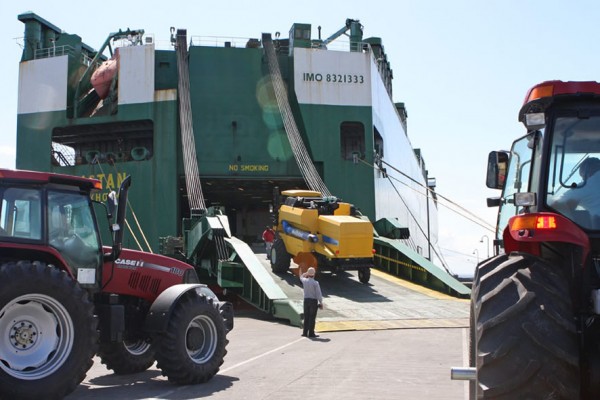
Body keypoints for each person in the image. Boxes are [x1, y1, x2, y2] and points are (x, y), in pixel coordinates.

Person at [300, 267, 323, 338]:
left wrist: (305, 273)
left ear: (308, 274)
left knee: (306, 317)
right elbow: (318, 294)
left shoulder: (304, 281)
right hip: (313, 301)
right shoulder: (316, 283)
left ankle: (304, 332)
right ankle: (311, 333)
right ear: (314, 274)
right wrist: (321, 302)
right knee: (312, 317)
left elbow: (301, 277)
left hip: (306, 300)